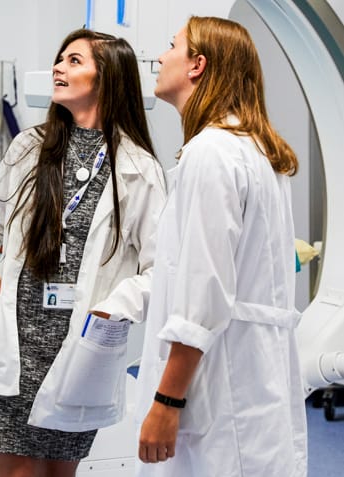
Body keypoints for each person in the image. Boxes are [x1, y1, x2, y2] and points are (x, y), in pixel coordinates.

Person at [0, 28, 166, 477]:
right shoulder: (28, 148)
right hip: (14, 347)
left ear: (108, 77)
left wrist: (111, 311)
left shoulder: (138, 168)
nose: (59, 67)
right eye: (61, 59)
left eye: (74, 61)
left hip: (80, 350)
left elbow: (160, 270)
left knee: (61, 475)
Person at [136, 16, 307, 477]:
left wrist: (166, 402)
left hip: (219, 389)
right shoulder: (255, 151)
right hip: (254, 380)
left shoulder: (211, 152)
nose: (160, 57)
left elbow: (202, 298)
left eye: (171, 47)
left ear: (197, 65)